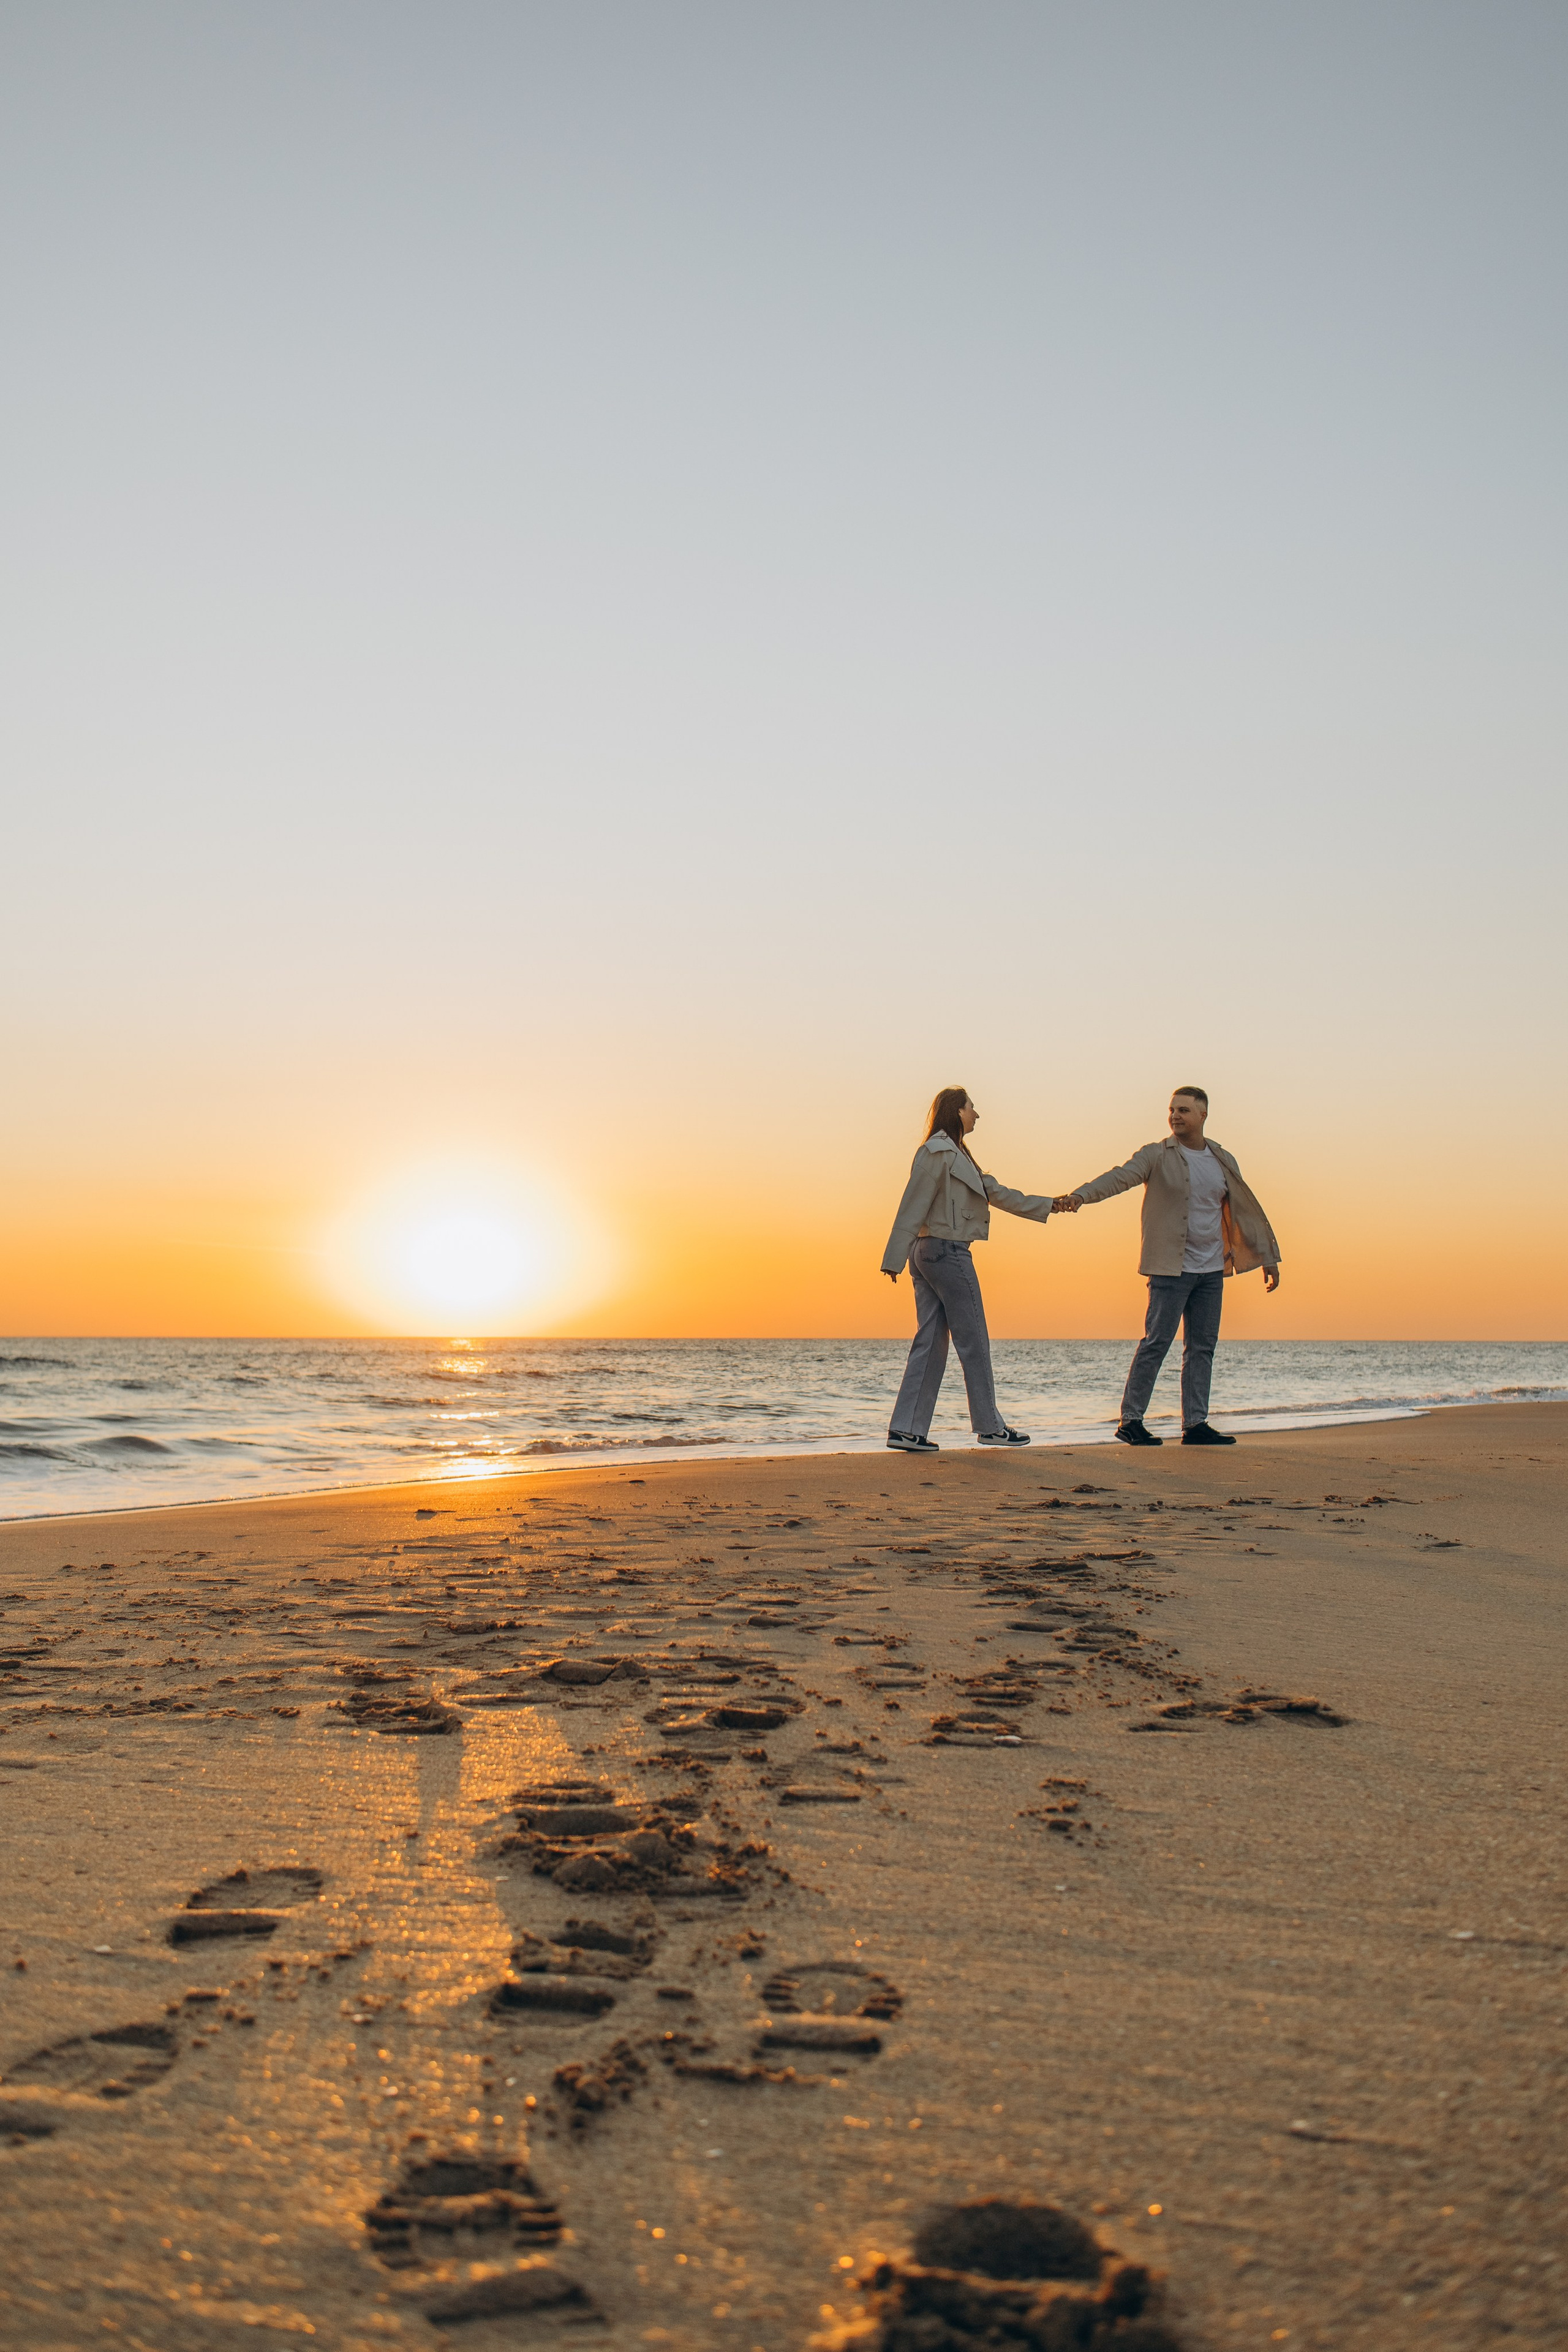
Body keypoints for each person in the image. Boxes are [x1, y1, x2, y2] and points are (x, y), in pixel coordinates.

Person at [1054, 1086, 1280, 1447]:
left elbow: (1247, 1211)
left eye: (1184, 1110)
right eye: (1172, 1110)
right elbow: (1119, 1177)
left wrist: (1267, 1257)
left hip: (1210, 1270)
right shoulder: (1156, 1155)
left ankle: (1195, 1424)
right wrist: (1082, 1195)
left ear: (1202, 1116)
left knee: (1202, 1347)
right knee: (1156, 1342)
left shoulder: (1222, 1159)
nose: (1176, 1116)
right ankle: (1131, 1421)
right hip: (1169, 1269)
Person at [881, 1087, 1052, 1453]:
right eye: (972, 1107)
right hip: (946, 1252)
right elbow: (912, 1203)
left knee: (931, 1341)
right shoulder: (937, 1153)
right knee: (973, 1340)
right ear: (957, 1112)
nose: (977, 1114)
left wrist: (1051, 1206)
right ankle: (990, 1427)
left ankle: (906, 1430)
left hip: (928, 1253)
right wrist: (892, 1257)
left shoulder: (957, 1155)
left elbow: (999, 1193)